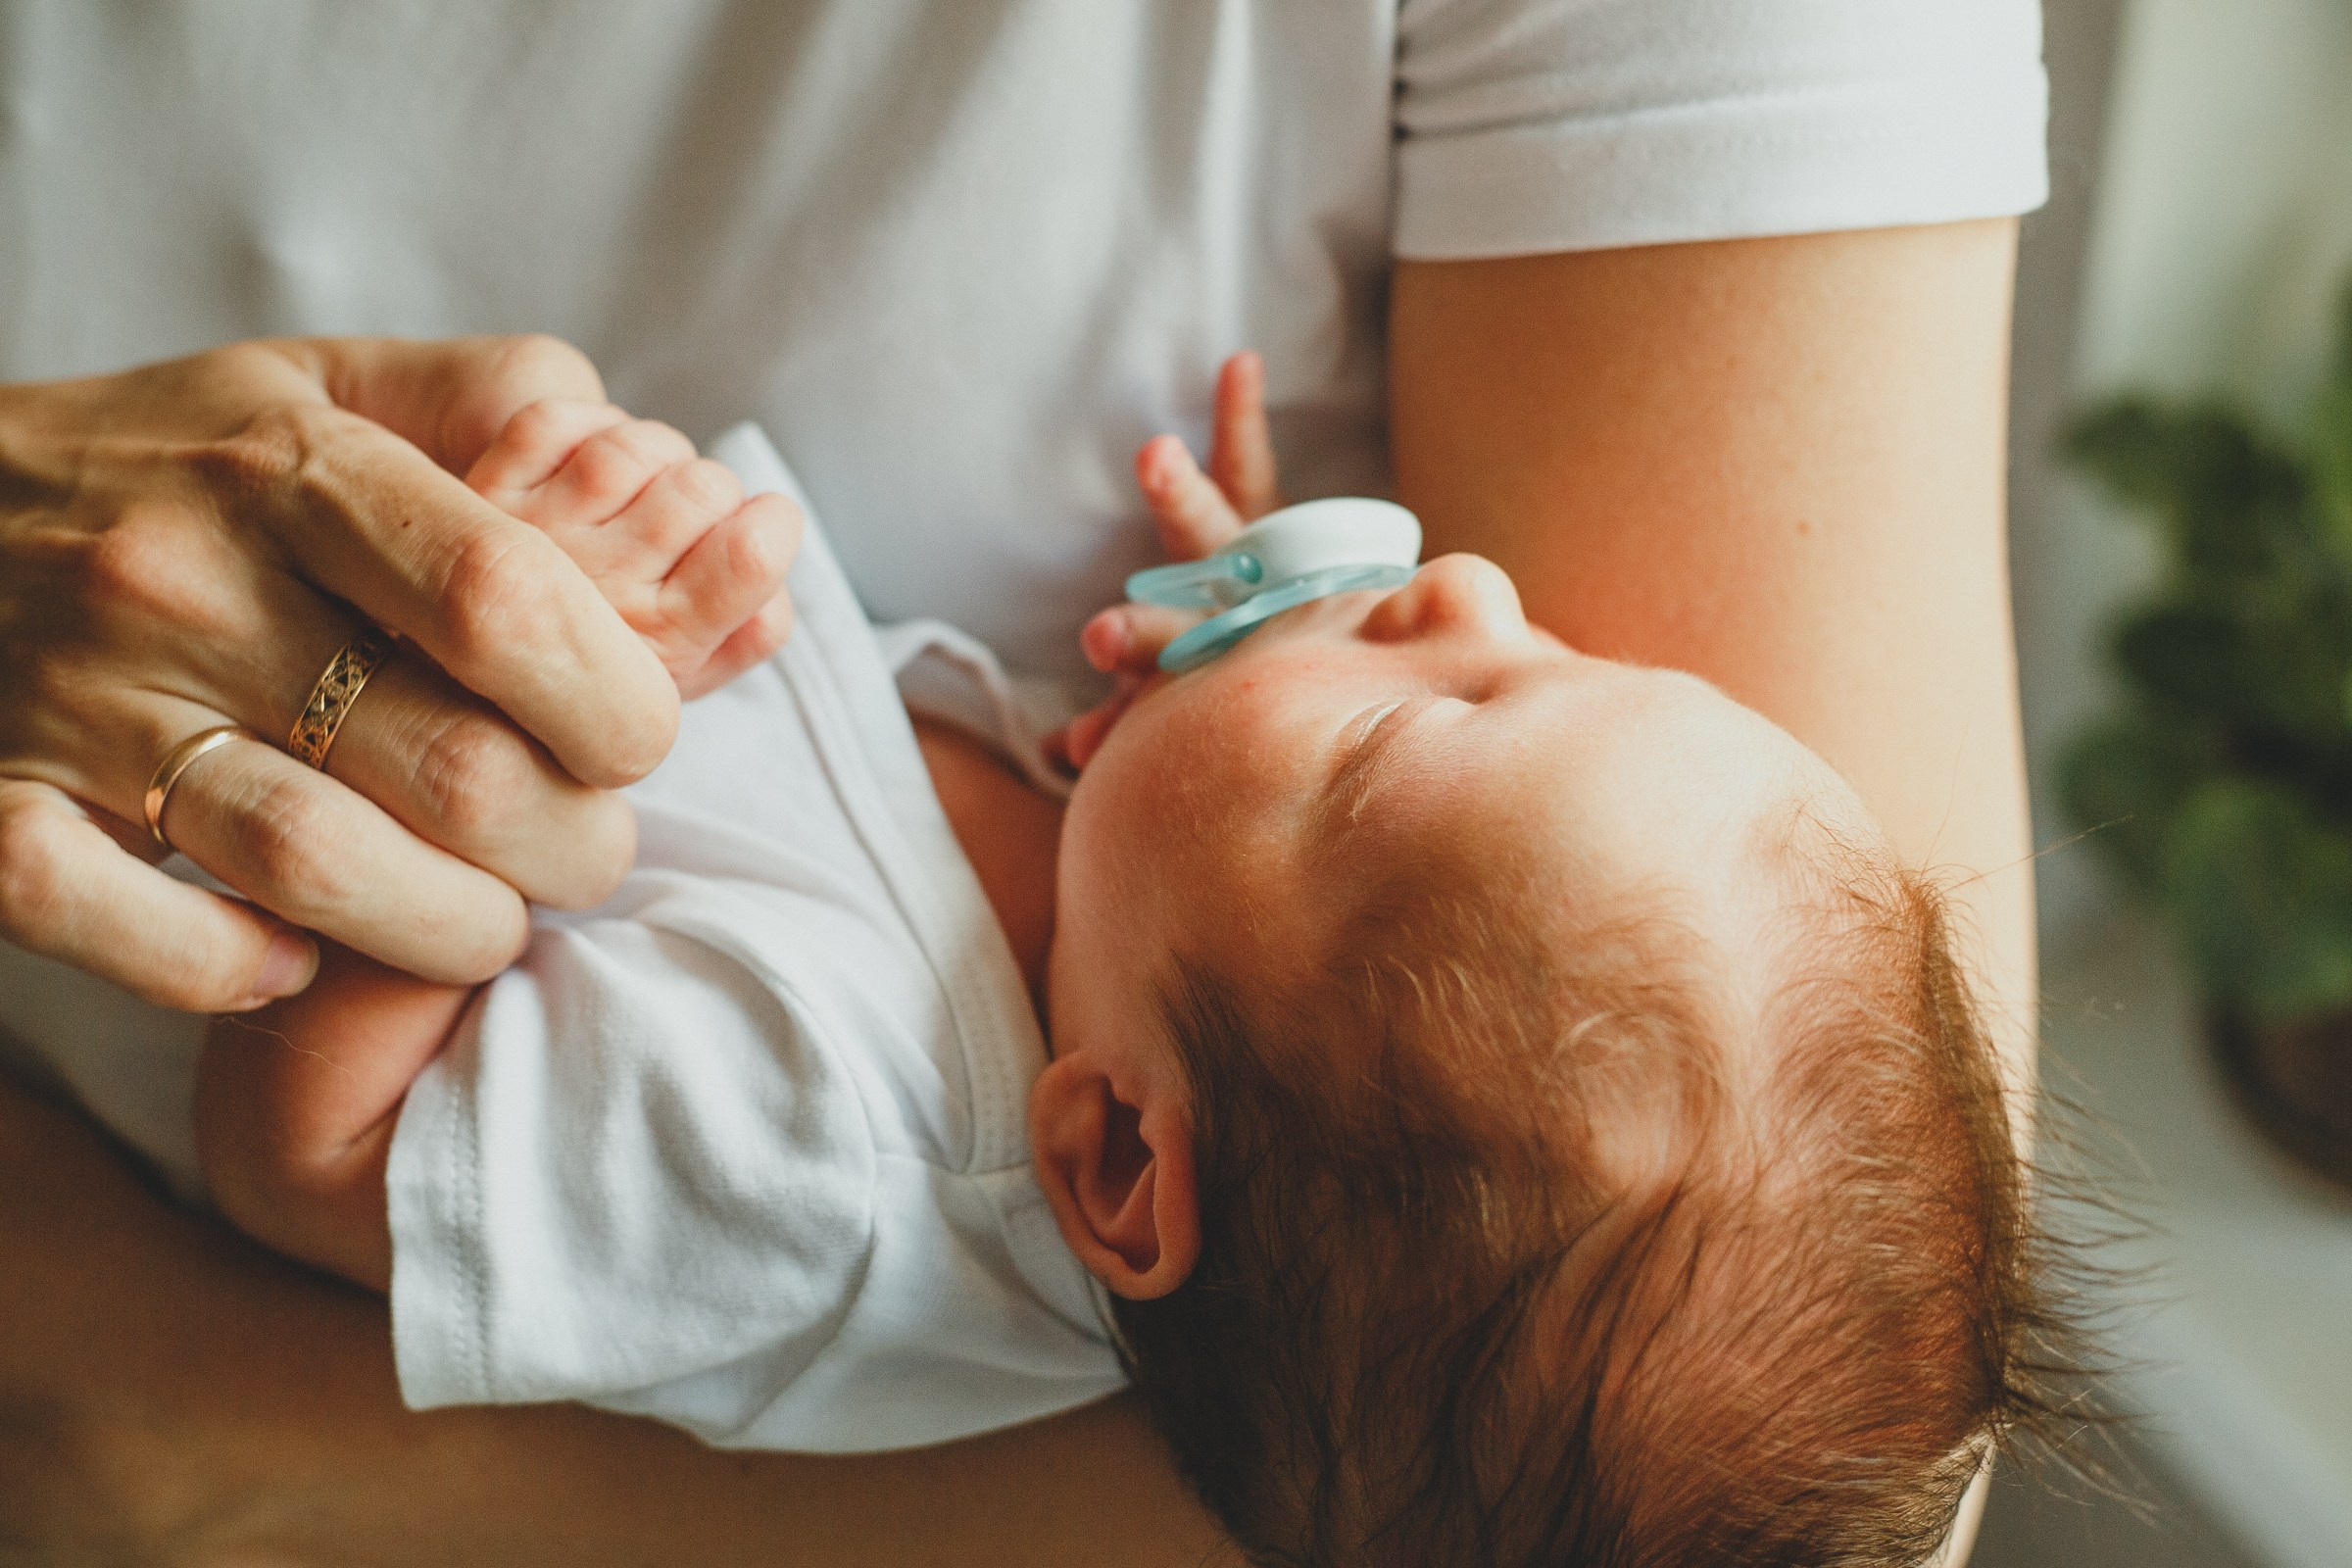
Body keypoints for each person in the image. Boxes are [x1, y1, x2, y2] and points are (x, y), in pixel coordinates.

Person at [0, 3, 2050, 1561]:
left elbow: (321, 1164)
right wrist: (1277, 643)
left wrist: (473, 766)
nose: (1478, 583)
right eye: (1556, 652)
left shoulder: (812, 1154)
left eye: (1427, 716)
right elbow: (1341, 884)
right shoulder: (1174, 954)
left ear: (1116, 1161)